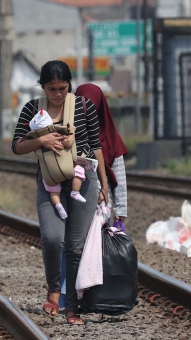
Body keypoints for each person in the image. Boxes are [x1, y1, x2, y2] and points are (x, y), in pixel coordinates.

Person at [12, 60, 109, 325]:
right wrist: (40, 140)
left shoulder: (84, 106)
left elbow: (95, 144)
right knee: (53, 237)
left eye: (62, 88)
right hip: (49, 181)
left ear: (69, 86)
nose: (57, 94)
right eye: (52, 88)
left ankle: (72, 307)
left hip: (83, 179)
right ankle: (54, 288)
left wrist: (104, 185)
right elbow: (16, 146)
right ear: (43, 87)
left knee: (75, 246)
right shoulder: (32, 108)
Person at [75, 83, 129, 225]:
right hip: (75, 199)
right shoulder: (71, 132)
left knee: (98, 240)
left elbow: (119, 175)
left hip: (101, 201)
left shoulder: (112, 138)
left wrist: (120, 210)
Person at [28, 109, 87, 220]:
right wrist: (72, 131)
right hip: (67, 168)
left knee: (53, 190)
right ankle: (75, 191)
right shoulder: (57, 137)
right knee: (79, 170)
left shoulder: (38, 144)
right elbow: (68, 143)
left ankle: (58, 205)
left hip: (50, 174)